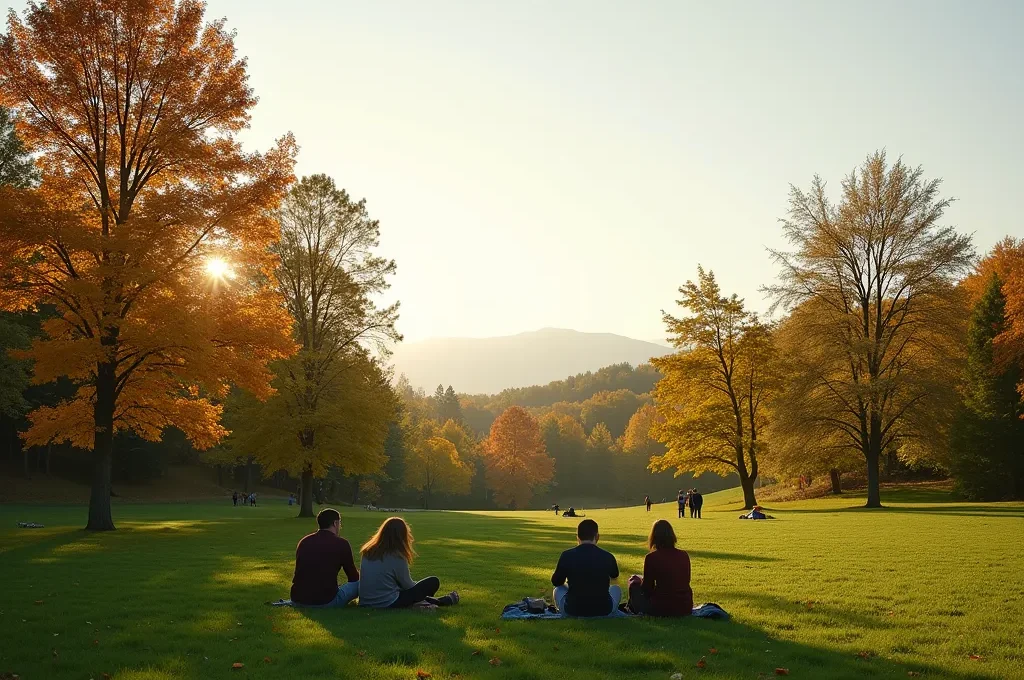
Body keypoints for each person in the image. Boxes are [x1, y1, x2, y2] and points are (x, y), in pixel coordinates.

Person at [358, 517, 459, 609]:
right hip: (387, 603)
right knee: (432, 582)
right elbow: (407, 586)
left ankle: (436, 601)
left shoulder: (368, 551)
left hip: (365, 601)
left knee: (409, 591)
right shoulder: (396, 556)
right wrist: (417, 585)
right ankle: (439, 602)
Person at [289, 508, 360, 607]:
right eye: (340, 523)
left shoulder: (304, 541)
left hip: (298, 599)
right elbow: (353, 577)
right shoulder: (341, 543)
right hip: (325, 601)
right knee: (359, 583)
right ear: (335, 523)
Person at [551, 519, 621, 617]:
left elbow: (556, 582)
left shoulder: (567, 555)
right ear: (597, 536)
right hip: (603, 610)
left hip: (573, 610)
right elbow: (614, 575)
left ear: (577, 537)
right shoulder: (608, 556)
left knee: (558, 590)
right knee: (616, 589)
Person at [627, 520, 693, 616]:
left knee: (633, 582)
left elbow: (647, 588)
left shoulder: (651, 558)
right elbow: (685, 580)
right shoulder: (684, 555)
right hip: (685, 606)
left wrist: (637, 582)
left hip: (661, 607)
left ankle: (632, 608)